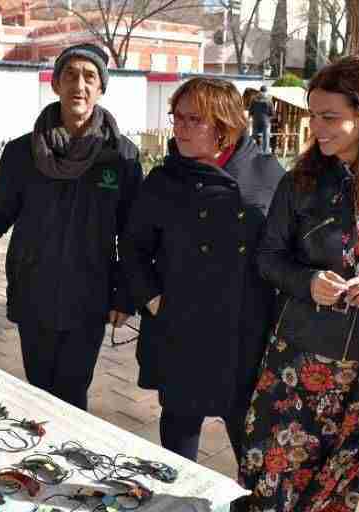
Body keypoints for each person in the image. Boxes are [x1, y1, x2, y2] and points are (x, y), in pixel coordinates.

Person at [238, 55, 359, 511]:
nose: (316, 127)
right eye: (313, 115)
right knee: (275, 485)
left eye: (329, 117)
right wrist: (308, 281)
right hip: (300, 359)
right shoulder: (300, 183)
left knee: (335, 493)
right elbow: (267, 258)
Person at [0, 44, 143, 411]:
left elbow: (133, 233)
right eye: (70, 75)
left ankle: (70, 448)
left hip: (90, 293)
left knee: (72, 392)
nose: (79, 84)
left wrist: (125, 295)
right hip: (35, 288)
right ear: (56, 84)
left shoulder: (121, 156)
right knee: (39, 387)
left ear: (101, 88)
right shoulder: (21, 153)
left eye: (89, 77)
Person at [120, 77, 285, 462]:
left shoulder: (267, 173)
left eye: (194, 119)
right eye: (177, 117)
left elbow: (287, 247)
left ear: (224, 126)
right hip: (183, 327)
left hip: (244, 330)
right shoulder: (163, 180)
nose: (180, 127)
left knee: (253, 448)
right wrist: (153, 299)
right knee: (179, 444)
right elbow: (133, 247)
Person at [249, 85, 274, 154]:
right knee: (266, 138)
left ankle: (253, 152)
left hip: (255, 121)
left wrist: (252, 117)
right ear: (266, 92)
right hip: (265, 122)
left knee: (254, 138)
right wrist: (269, 118)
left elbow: (250, 111)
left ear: (259, 91)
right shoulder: (269, 100)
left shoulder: (254, 100)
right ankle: (265, 153)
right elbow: (272, 113)